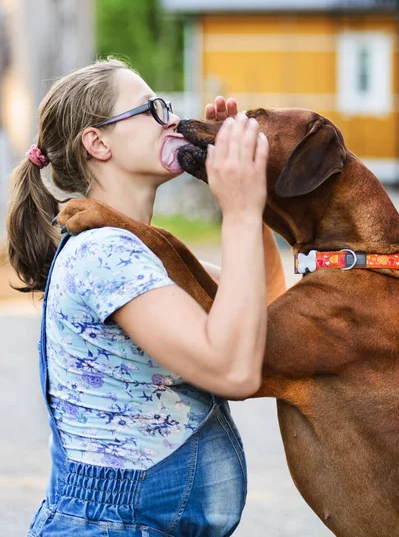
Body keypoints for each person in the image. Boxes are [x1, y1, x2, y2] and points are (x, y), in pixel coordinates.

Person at [7, 58, 285, 537]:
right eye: (152, 109)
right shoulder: (104, 253)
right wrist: (239, 210)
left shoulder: (145, 250)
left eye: (169, 107)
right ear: (98, 142)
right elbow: (233, 369)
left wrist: (246, 205)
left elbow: (267, 307)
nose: (173, 119)